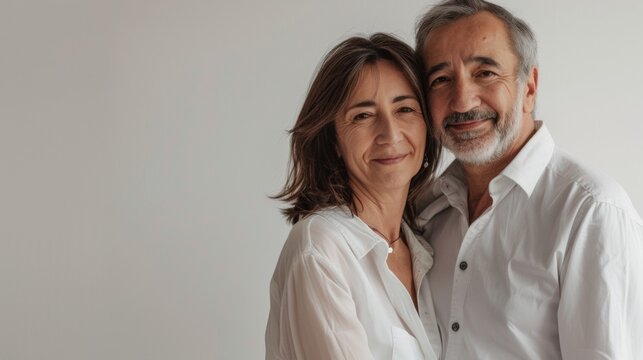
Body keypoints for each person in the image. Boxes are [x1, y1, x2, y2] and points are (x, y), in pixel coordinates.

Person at [414, 0, 643, 359]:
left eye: (485, 73)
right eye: (441, 79)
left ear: (530, 87)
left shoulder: (591, 212)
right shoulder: (426, 209)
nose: (461, 100)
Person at [265, 33, 442, 359]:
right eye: (363, 115)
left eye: (405, 109)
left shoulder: (430, 247)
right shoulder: (321, 248)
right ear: (333, 139)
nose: (390, 133)